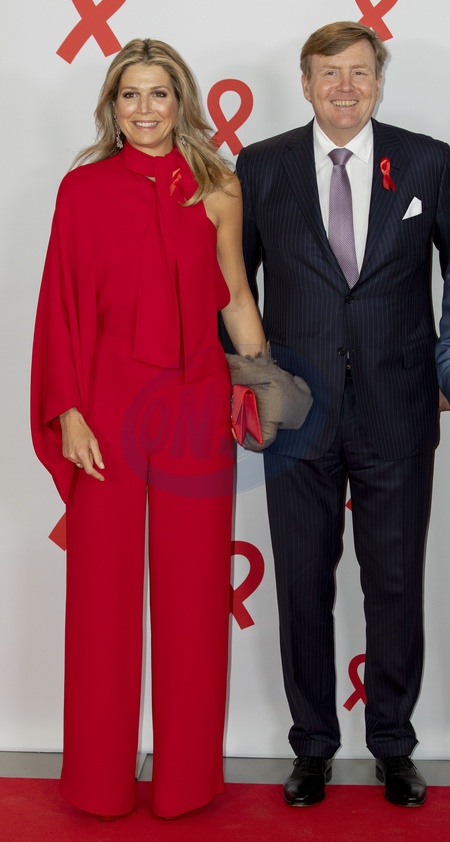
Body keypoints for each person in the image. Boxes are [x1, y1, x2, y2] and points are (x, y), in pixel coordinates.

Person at [31, 38, 265, 821]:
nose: (144, 108)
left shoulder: (219, 186)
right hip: (105, 410)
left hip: (196, 408)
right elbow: (58, 305)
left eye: (158, 93)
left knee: (194, 595)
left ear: (180, 101)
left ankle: (186, 782)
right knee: (101, 598)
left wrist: (261, 385)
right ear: (112, 105)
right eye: (129, 94)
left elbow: (236, 297)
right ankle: (97, 782)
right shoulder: (81, 189)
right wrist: (68, 412)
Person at [234, 21, 450, 807]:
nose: (345, 87)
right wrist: (256, 384)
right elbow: (233, 284)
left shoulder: (428, 161)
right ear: (305, 83)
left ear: (379, 81)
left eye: (359, 72)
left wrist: (447, 372)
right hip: (297, 416)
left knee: (395, 585)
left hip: (401, 408)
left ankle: (393, 744)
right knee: (301, 585)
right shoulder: (260, 166)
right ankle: (313, 747)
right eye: (330, 73)